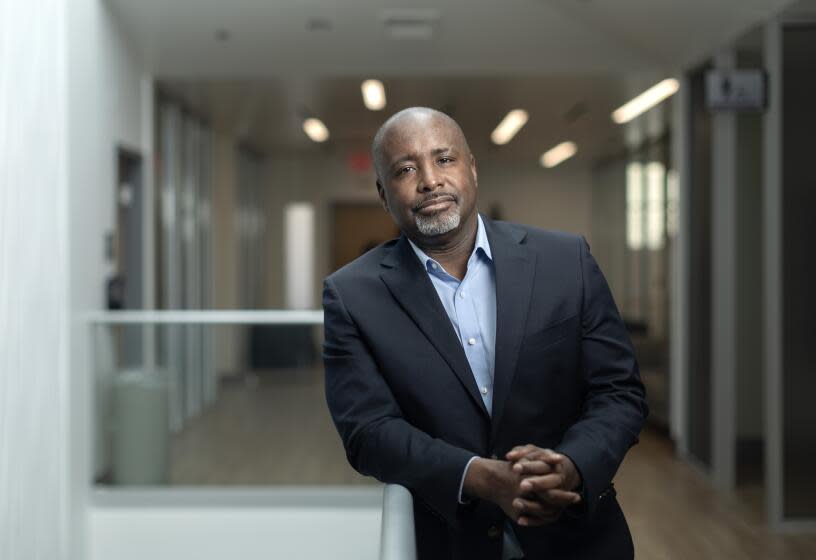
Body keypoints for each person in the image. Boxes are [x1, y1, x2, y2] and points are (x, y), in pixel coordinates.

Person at [322, 107, 648, 560]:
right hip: (449, 542)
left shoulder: (564, 260)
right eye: (406, 169)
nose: (430, 181)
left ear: (472, 168)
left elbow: (619, 391)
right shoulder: (352, 295)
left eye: (444, 159)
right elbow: (368, 431)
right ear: (383, 192)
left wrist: (571, 466)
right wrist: (478, 476)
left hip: (577, 537)